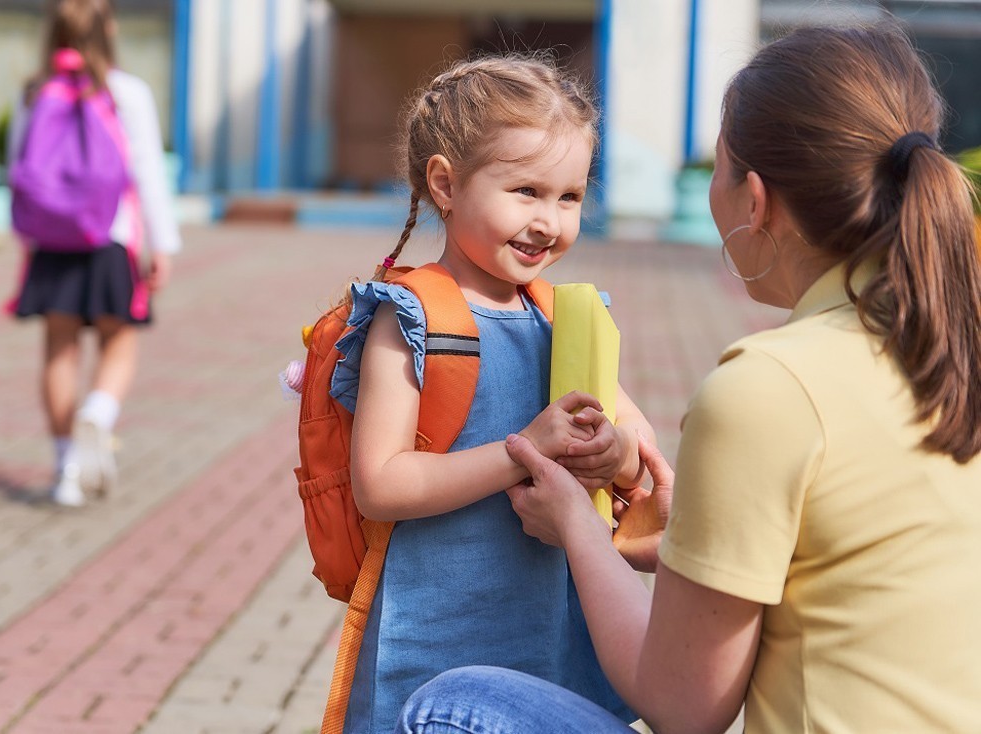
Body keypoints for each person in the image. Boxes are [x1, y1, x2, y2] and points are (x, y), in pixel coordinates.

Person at [395, 23, 981, 734]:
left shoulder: (773, 386)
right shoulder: (953, 340)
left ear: (754, 199)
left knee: (449, 704)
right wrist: (682, 539)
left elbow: (685, 708)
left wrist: (579, 526)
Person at [330, 54, 656, 733]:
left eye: (569, 196)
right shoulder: (411, 318)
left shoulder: (565, 316)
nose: (549, 221)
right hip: (434, 639)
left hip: (550, 637)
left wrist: (612, 453)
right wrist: (524, 452)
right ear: (446, 183)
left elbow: (637, 451)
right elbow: (381, 484)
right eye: (526, 192)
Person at [7, 0, 180, 507]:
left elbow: (20, 169)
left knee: (59, 349)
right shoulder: (127, 93)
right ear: (108, 31)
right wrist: (161, 245)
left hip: (52, 240)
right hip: (111, 238)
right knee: (119, 341)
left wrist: (25, 235)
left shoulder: (35, 93)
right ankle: (98, 415)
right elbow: (147, 171)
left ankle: (65, 468)